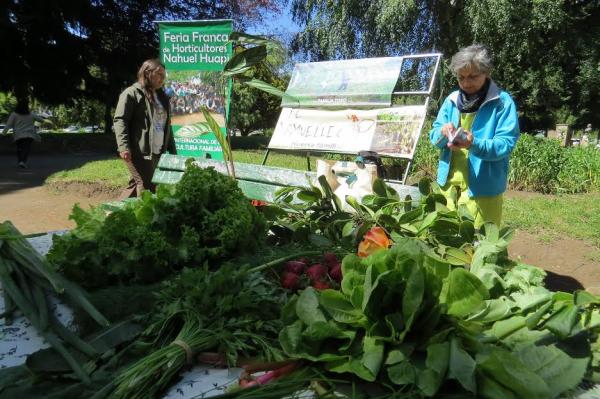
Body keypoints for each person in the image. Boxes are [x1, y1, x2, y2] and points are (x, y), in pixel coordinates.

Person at [429, 44, 520, 228]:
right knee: (448, 242)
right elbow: (434, 138)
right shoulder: (451, 100)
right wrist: (442, 132)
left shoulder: (502, 103)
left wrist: (473, 144)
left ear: (486, 72)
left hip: (483, 190)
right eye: (461, 77)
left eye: (472, 76)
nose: (466, 83)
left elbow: (505, 144)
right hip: (448, 186)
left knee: (481, 245)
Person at [113, 58, 176, 199]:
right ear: (147, 73)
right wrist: (123, 147)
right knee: (146, 186)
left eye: (164, 75)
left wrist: (172, 149)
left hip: (158, 151)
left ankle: (112, 215)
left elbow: (167, 126)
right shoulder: (131, 94)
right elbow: (120, 120)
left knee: (137, 183)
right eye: (159, 74)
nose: (163, 78)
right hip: (139, 151)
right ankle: (143, 219)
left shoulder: (163, 98)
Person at [2, 98, 46, 168]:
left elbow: (8, 124)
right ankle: (22, 161)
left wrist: (3, 133)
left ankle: (20, 161)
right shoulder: (31, 114)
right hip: (29, 134)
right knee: (26, 148)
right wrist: (38, 120)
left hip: (18, 134)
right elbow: (41, 120)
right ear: (27, 107)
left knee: (19, 148)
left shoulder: (14, 114)